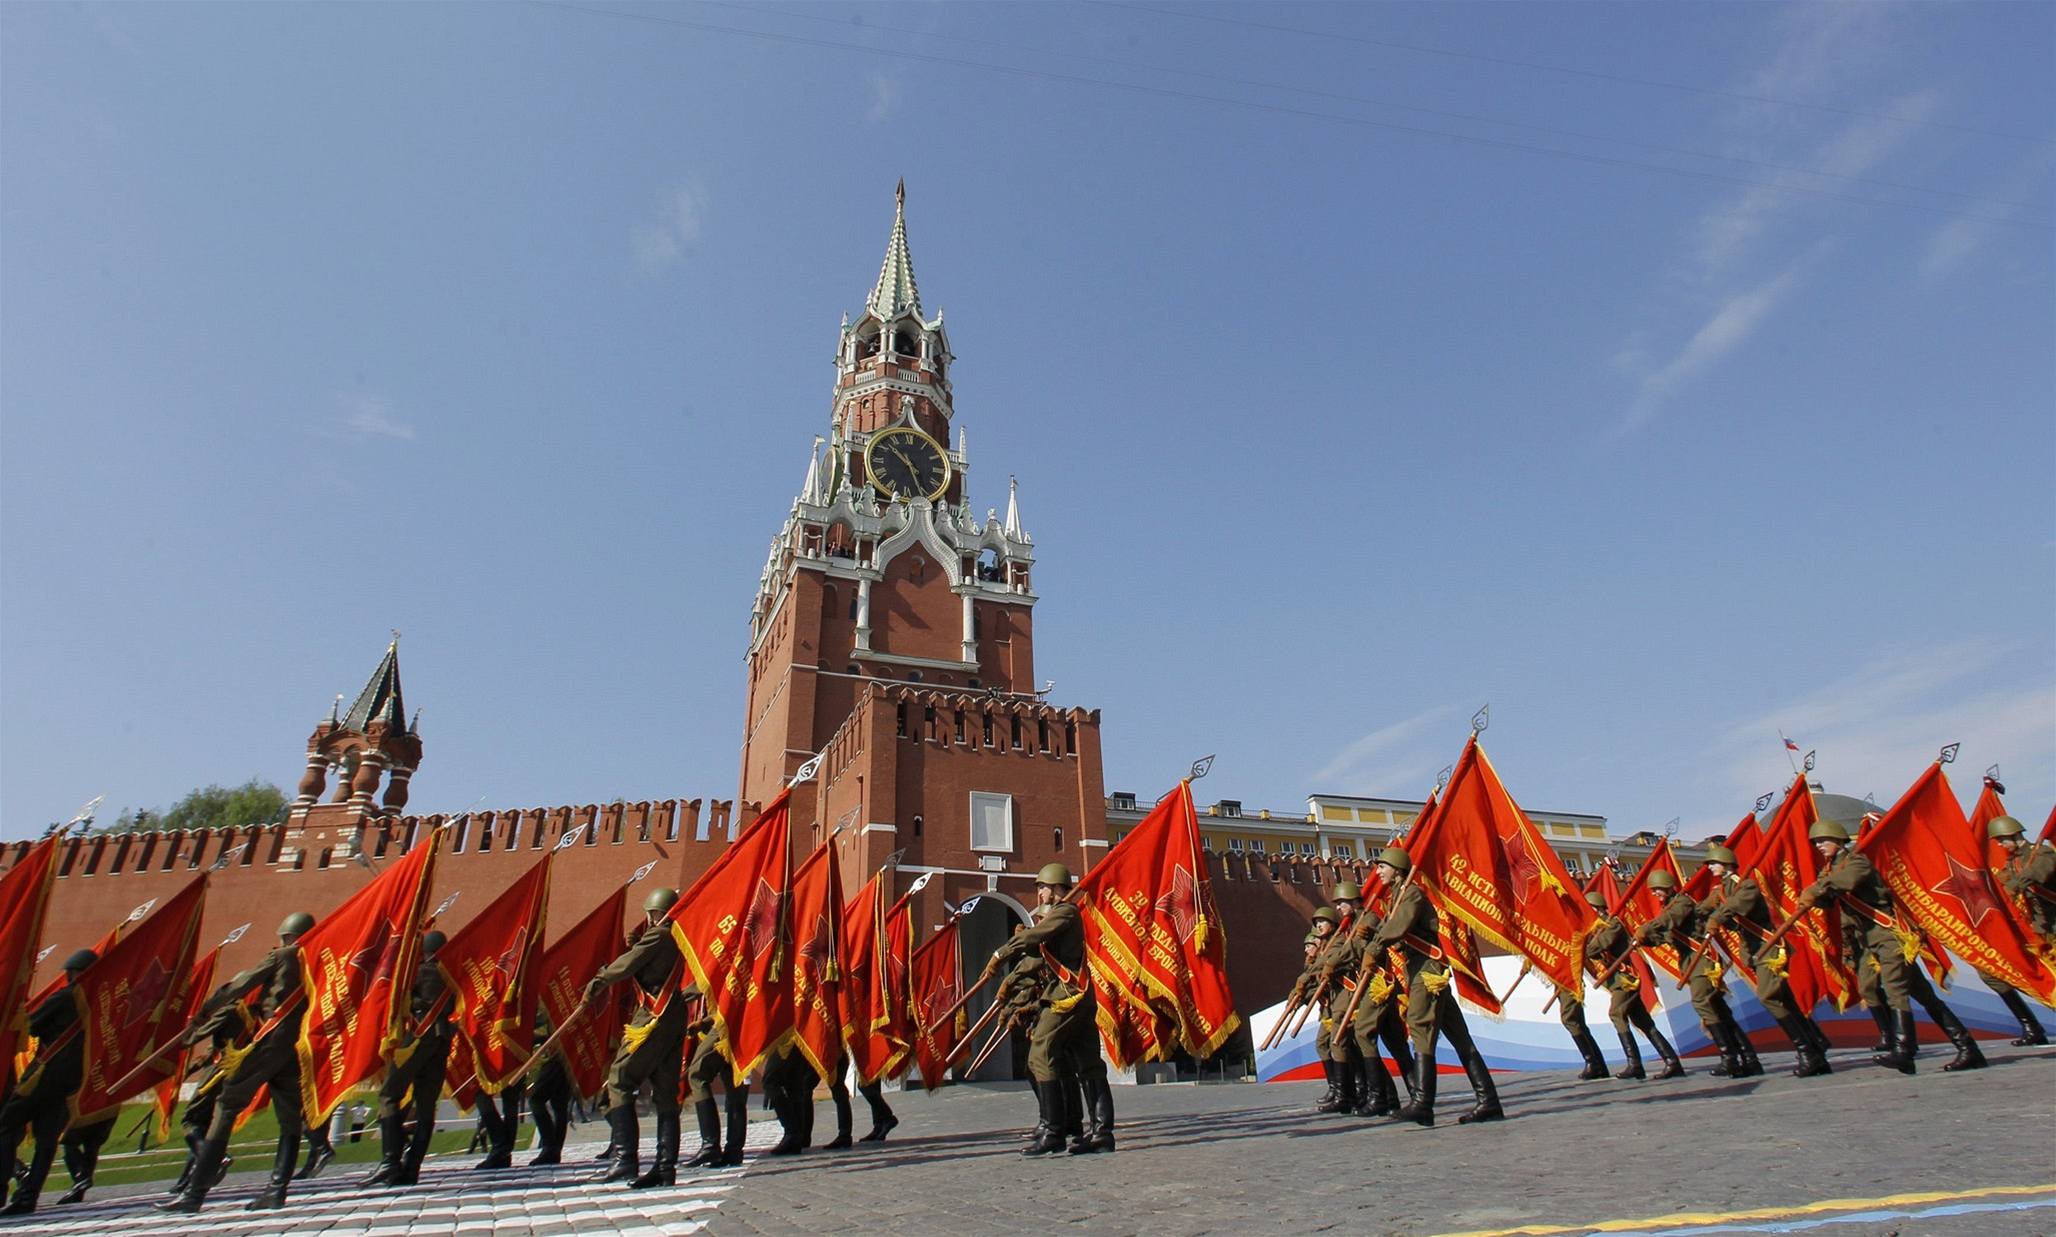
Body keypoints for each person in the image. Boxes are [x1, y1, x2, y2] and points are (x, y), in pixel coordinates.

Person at [1799, 818, 1983, 1074]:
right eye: (1816, 842)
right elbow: (1828, 897)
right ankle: (1968, 1048)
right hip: (1869, 939)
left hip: (1889, 935)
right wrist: (1814, 898)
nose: (1819, 846)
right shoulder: (1830, 870)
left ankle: (1904, 1051)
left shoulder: (1857, 861)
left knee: (1895, 988)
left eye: (1823, 840)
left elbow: (1846, 882)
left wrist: (1816, 889)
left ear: (1839, 840)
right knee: (1923, 996)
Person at [159, 912, 315, 1214]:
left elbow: (241, 985)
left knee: (226, 1107)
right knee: (289, 1120)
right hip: (295, 1047)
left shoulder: (281, 956)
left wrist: (205, 1010)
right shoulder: (315, 959)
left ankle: (194, 1195)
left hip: (268, 1041)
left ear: (286, 935)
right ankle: (277, 1190)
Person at [1360, 848, 1502, 1126]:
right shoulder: (1397, 897)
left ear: (1397, 869)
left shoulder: (1411, 893)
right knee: (1460, 1038)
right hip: (1420, 966)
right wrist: (1375, 934)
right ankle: (1489, 1101)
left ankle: (1423, 1104)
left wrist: (1376, 946)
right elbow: (1396, 929)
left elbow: (1400, 926)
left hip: (1427, 969)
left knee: (1420, 1025)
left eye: (1383, 867)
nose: (1378, 871)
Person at [991, 863, 1114, 1156]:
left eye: (1043, 887)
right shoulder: (1061, 915)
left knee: (1040, 1052)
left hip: (1067, 996)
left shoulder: (1066, 911)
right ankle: (1101, 1133)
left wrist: (1000, 953)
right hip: (1077, 997)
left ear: (1057, 887)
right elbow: (1037, 949)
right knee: (1088, 1063)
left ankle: (1053, 1131)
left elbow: (1034, 939)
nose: (1040, 893)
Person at [586, 888, 695, 1188]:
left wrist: (599, 980)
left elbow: (628, 965)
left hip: (653, 1016)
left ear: (656, 912)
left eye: (650, 913)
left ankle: (625, 1159)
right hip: (673, 1016)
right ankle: (665, 1167)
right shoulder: (677, 936)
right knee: (665, 1091)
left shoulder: (658, 935)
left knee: (620, 1078)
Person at [1699, 844, 1832, 1077]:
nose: (1709, 867)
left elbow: (1736, 906)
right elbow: (1712, 910)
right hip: (1756, 951)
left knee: (1768, 996)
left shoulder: (1745, 885)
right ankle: (1816, 1045)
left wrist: (1717, 917)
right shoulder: (1723, 890)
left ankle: (1807, 1051)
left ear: (1727, 864)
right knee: (1785, 1000)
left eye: (1713, 863)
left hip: (1769, 949)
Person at [0, 949, 96, 1215]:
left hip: (43, 1074)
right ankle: (29, 1196)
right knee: (47, 1139)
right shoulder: (99, 1002)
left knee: (6, 1125)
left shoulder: (65, 997)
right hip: (72, 1080)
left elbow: (32, 1025)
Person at [1636, 871, 1760, 1078]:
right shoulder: (1670, 906)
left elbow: (1669, 920)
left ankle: (1729, 1058)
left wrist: (1648, 927)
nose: (1655, 893)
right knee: (1719, 1010)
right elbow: (1665, 936)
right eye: (1653, 890)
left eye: (1657, 889)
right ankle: (1749, 1059)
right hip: (1692, 964)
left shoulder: (1682, 903)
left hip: (1702, 962)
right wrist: (1645, 939)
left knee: (1702, 1003)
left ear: (1668, 886)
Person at [363, 928, 456, 1188]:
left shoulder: (419, 971)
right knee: (426, 1106)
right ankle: (412, 1167)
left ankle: (390, 1161)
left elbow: (394, 993)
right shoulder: (452, 975)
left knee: (389, 1095)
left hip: (418, 1038)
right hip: (442, 1040)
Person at [1582, 889, 1684, 1081]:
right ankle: (1672, 1061)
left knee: (1616, 1013)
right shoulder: (1596, 928)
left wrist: (1586, 945)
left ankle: (1634, 1064)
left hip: (1625, 980)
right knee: (1643, 1022)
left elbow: (1596, 947)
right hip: (1617, 981)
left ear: (1597, 908)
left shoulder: (1613, 924)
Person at [1345, 886, 1414, 1117]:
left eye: (1342, 902)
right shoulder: (1352, 925)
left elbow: (1368, 945)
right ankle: (1405, 1096)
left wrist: (1334, 960)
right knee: (1394, 1042)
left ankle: (1379, 1097)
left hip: (1378, 986)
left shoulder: (1369, 919)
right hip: (1369, 987)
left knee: (1363, 1033)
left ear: (1355, 902)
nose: (1339, 907)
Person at [1986, 815, 2053, 1045]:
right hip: (2040, 930)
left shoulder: (2041, 853)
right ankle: (2032, 1028)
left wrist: (2015, 884)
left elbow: (2039, 874)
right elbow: (2003, 883)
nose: (2000, 845)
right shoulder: (2012, 862)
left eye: (2002, 840)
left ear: (2013, 835)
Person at [1310, 884, 1370, 1117]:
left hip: (1357, 993)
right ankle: (1346, 1091)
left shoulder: (1341, 938)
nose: (1318, 926)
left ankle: (1358, 1093)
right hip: (1336, 999)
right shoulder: (1330, 942)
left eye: (1322, 922)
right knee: (1341, 1043)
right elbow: (1318, 968)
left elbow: (1343, 956)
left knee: (1351, 1042)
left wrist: (1327, 964)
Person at [1281, 911, 1340, 1112]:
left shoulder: (1333, 948)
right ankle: (1337, 1088)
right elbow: (1311, 985)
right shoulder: (1313, 962)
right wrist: (1297, 999)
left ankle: (1353, 1091)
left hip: (1340, 1004)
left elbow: (1319, 983)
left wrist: (1304, 993)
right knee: (1324, 1045)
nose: (1307, 949)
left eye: (1310, 945)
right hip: (1328, 1008)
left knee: (1344, 1047)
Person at [525, 1007, 574, 1166]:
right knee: (559, 1105)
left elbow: (545, 1019)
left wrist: (530, 1034)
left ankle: (549, 1146)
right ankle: (555, 1150)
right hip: (568, 1054)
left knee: (536, 1099)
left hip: (556, 1056)